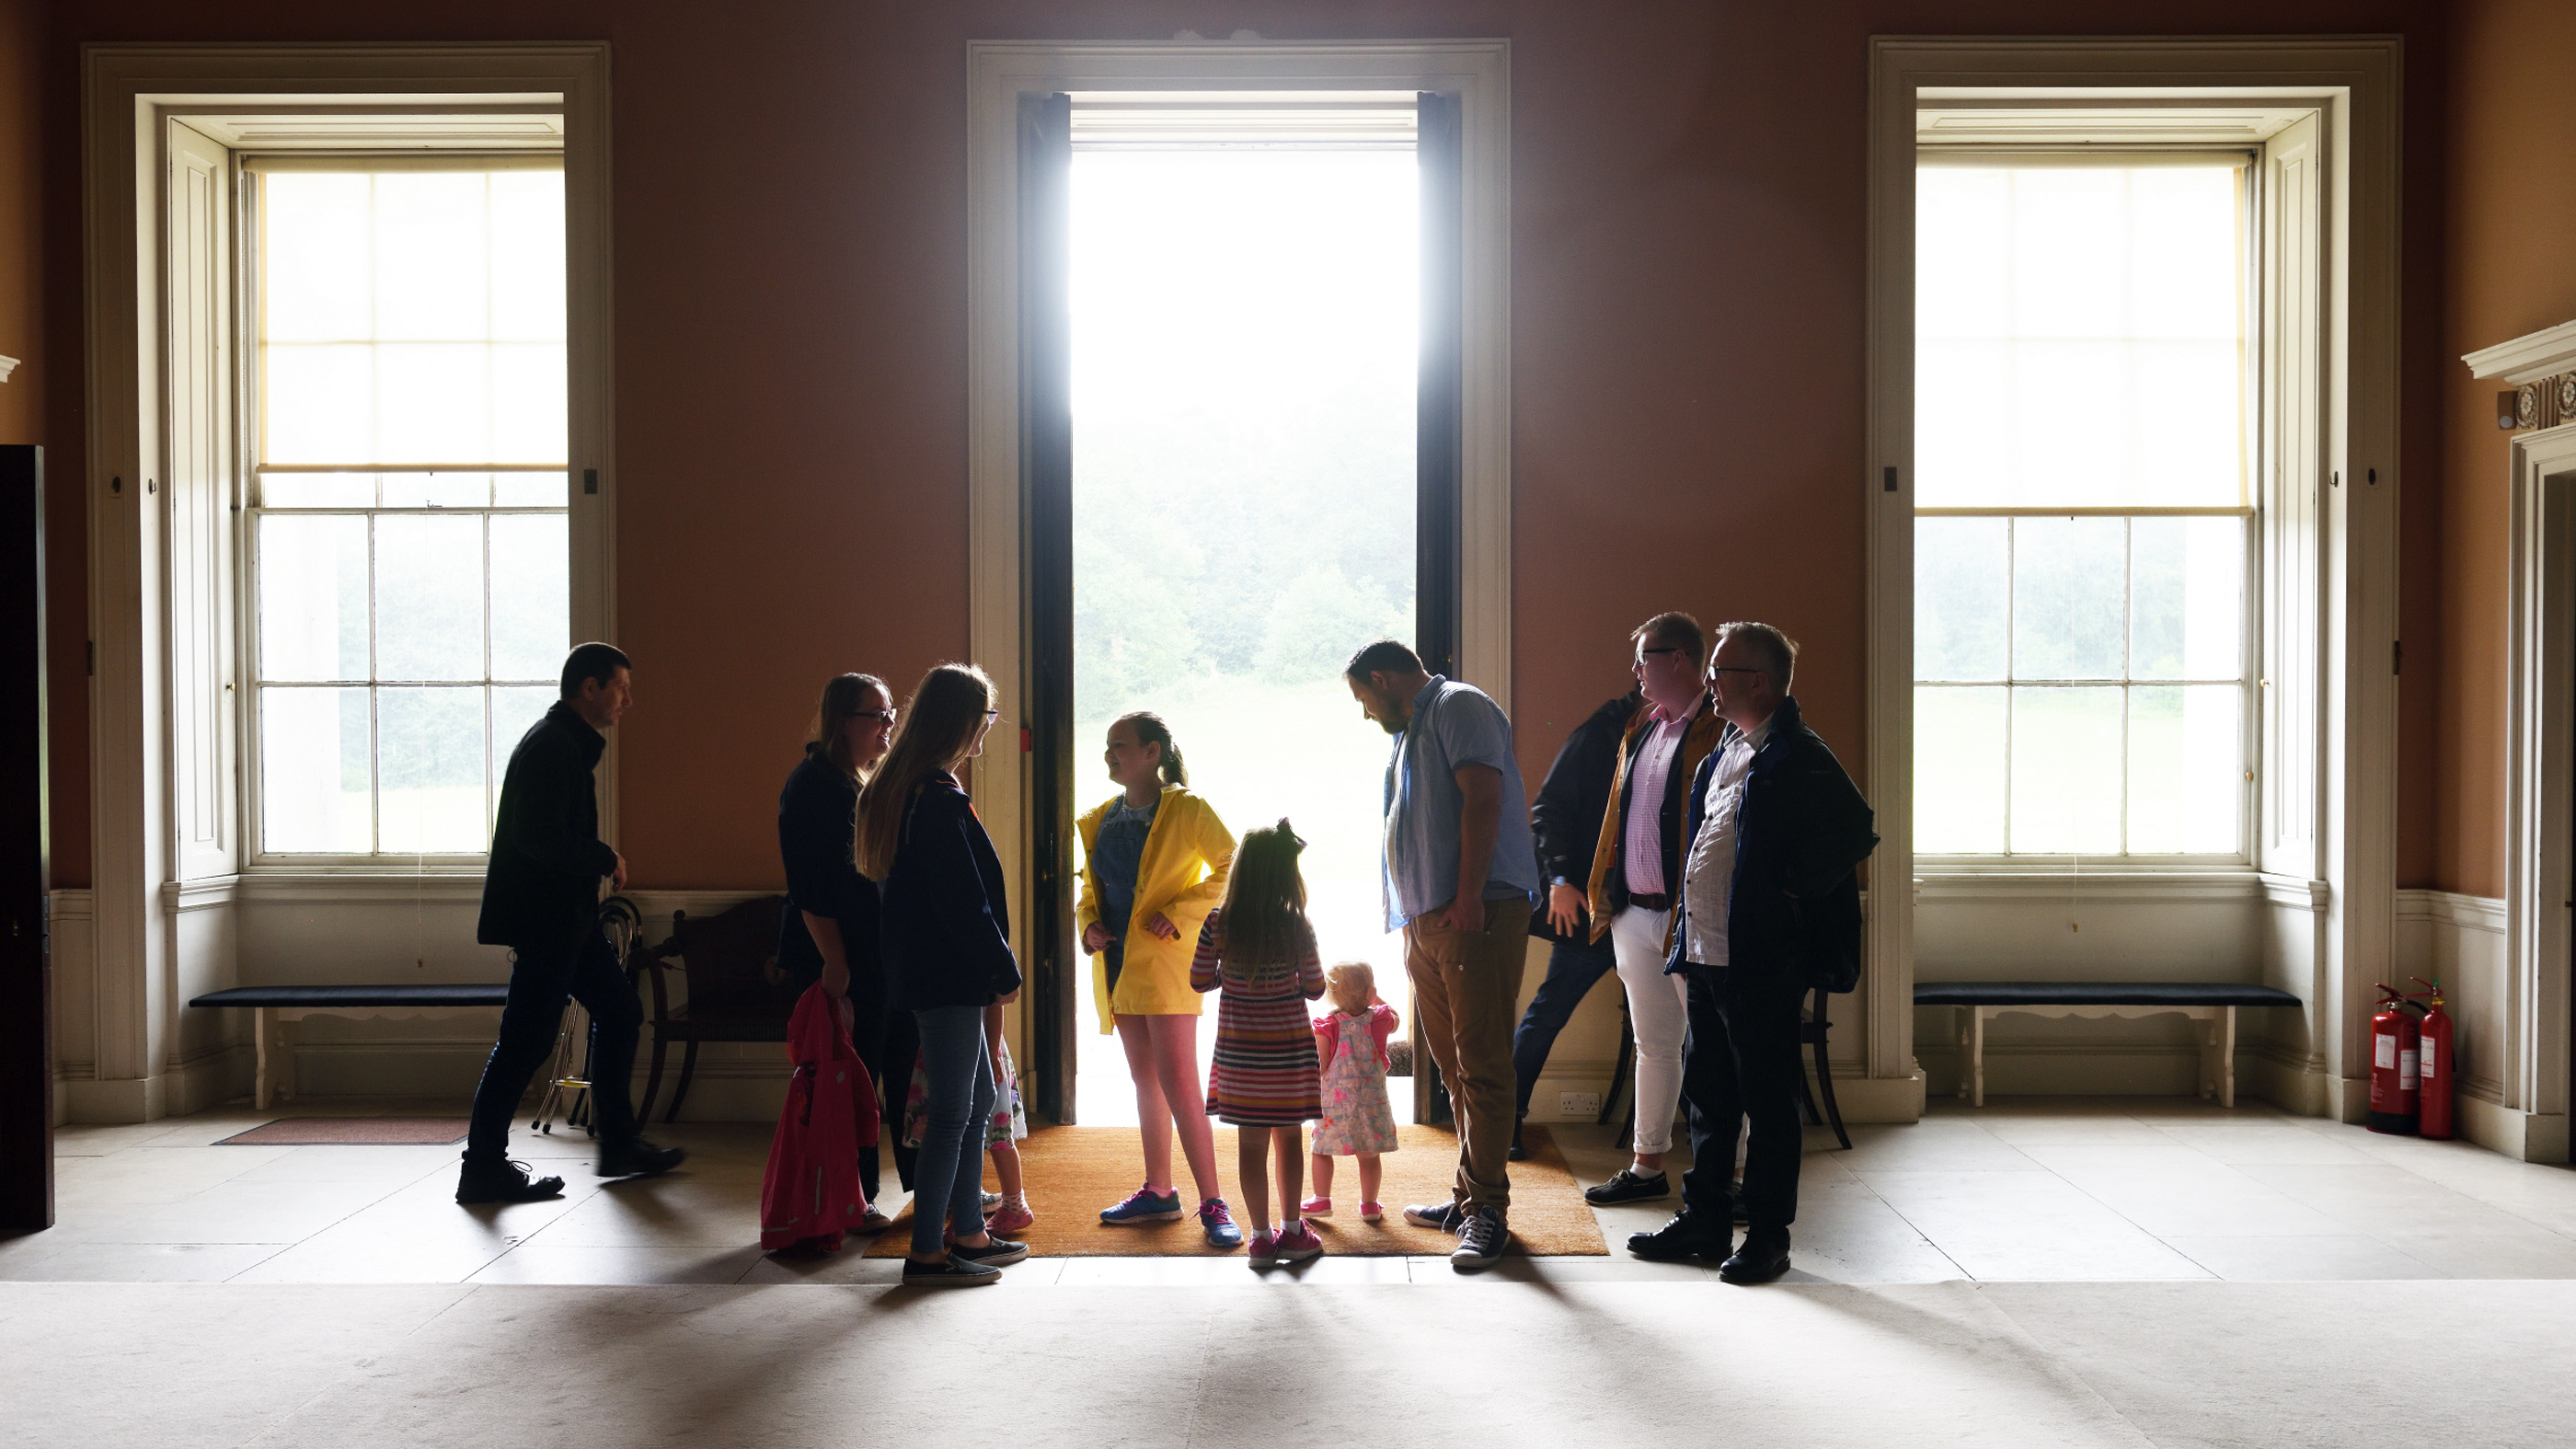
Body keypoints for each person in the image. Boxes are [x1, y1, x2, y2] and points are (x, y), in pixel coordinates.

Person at [1630, 623, 1876, 1285]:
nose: (1708, 682)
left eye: (1719, 672)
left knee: (1767, 1102)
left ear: (1759, 682)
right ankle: (1706, 1220)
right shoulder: (1726, 751)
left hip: (1760, 960)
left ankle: (1768, 1235)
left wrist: (1788, 890)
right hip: (1707, 954)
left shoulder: (1797, 751)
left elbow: (1855, 828)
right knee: (1708, 1097)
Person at [458, 642, 685, 1203]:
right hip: (549, 923)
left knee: (618, 1009)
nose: (628, 701)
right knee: (525, 1042)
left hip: (567, 922)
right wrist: (604, 858)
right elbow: (537, 839)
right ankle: (482, 1166)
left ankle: (618, 1143)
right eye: (621, 688)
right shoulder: (553, 747)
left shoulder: (561, 744)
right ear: (590, 688)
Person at [1344, 638, 1540, 1271]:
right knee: (1455, 1068)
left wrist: (1468, 896)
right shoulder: (1413, 729)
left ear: (1383, 677)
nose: (1366, 714)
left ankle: (1490, 1211)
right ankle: (1468, 1193)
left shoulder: (1458, 706)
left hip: (1471, 911)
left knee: (1482, 1066)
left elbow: (1484, 799)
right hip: (1429, 918)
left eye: (1364, 699)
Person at [857, 662, 1029, 1287]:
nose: (988, 727)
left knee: (977, 1099)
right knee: (954, 1111)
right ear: (960, 721)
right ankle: (929, 1250)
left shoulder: (914, 791)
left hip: (935, 974)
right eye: (984, 716)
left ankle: (971, 1232)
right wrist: (1001, 968)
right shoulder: (933, 798)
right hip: (949, 976)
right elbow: (964, 903)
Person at [1075, 712, 1243, 1248]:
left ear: (1153, 753)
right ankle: (1159, 1190)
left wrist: (1183, 910)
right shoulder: (1101, 818)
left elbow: (1231, 865)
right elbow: (1090, 893)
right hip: (1121, 967)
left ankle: (1213, 1201)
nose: (1109, 755)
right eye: (1107, 746)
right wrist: (1089, 926)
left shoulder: (1186, 808)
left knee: (1179, 1084)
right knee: (1145, 1083)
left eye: (1119, 746)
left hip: (1168, 965)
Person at [1581, 615, 1726, 1207]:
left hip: (1689, 916)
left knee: (1714, 1047)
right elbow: (1620, 818)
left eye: (1645, 658)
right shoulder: (1643, 728)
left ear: (1681, 660)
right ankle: (1647, 1167)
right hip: (1633, 913)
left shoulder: (1719, 729)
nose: (1636, 671)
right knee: (1655, 1043)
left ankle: (1730, 1177)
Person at [775, 672, 910, 1229]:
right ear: (841, 722)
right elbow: (811, 888)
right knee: (851, 1079)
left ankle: (910, 1187)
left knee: (883, 1070)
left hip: (868, 956)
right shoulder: (815, 787)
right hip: (838, 960)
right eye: (875, 716)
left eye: (889, 715)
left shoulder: (853, 779)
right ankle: (855, 1200)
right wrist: (835, 962)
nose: (886, 726)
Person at [1190, 821, 1328, 1268]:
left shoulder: (1218, 923)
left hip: (1240, 1055)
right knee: (1289, 1141)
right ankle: (1292, 1230)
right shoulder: (1296, 926)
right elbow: (1314, 987)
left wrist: (1228, 978)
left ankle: (1261, 1237)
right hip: (1287, 1054)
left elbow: (1198, 980)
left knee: (1250, 1146)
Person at [1511, 686, 1639, 1161]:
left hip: (1659, 910)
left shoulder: (1693, 736)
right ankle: (1507, 1122)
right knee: (1549, 1013)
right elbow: (1549, 810)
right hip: (1596, 908)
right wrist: (1561, 879)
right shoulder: (1598, 736)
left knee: (1675, 1029)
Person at [1305, 961, 1399, 1223]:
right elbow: (1395, 1017)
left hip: (1335, 1108)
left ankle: (1322, 1200)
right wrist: (1373, 996)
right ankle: (1369, 1205)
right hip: (1372, 1104)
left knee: (1321, 1150)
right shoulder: (1379, 1020)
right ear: (1371, 991)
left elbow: (1321, 1065)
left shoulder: (1327, 1025)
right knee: (1369, 1157)